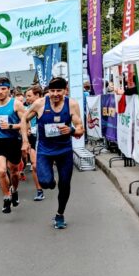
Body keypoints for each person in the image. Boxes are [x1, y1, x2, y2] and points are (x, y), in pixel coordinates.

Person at [21, 77, 84, 229]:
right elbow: (24, 118)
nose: (55, 94)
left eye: (59, 91)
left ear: (65, 90)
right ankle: (50, 181)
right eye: (52, 90)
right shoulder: (40, 104)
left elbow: (80, 128)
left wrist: (72, 130)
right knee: (46, 182)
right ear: (48, 91)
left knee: (65, 184)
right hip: (45, 150)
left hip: (64, 150)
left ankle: (60, 214)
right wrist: (25, 140)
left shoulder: (72, 105)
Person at [0, 77, 26, 213]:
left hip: (13, 141)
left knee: (14, 172)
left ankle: (14, 190)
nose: (0, 92)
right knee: (1, 171)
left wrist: (11, 126)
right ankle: (6, 197)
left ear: (9, 90)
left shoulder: (16, 104)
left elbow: (26, 123)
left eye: (3, 89)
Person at [24, 85, 45, 201]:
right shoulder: (26, 107)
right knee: (34, 165)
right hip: (33, 137)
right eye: (26, 96)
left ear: (37, 95)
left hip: (46, 140)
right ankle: (39, 190)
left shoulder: (44, 106)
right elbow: (23, 120)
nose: (27, 98)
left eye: (29, 96)